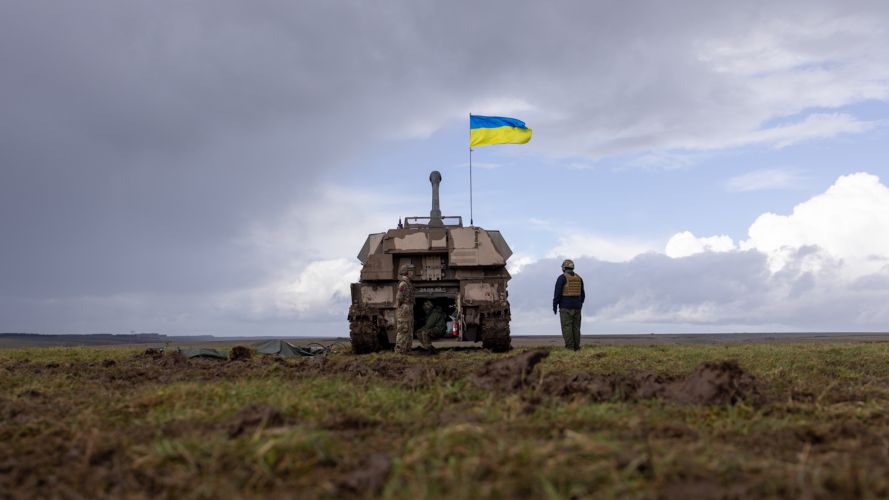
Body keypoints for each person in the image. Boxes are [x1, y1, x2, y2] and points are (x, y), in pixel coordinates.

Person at [553, 259, 585, 350]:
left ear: (563, 268)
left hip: (565, 308)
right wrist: (579, 304)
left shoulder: (562, 278)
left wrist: (554, 306)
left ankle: (570, 348)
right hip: (577, 308)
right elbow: (582, 295)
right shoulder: (579, 278)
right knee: (576, 328)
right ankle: (577, 347)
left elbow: (557, 293)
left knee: (567, 328)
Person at [394, 264, 415, 354]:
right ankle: (399, 350)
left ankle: (406, 349)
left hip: (408, 308)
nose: (412, 273)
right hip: (404, 309)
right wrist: (400, 310)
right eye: (411, 271)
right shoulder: (403, 284)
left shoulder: (408, 283)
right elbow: (399, 298)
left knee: (409, 329)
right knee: (403, 329)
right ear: (406, 272)